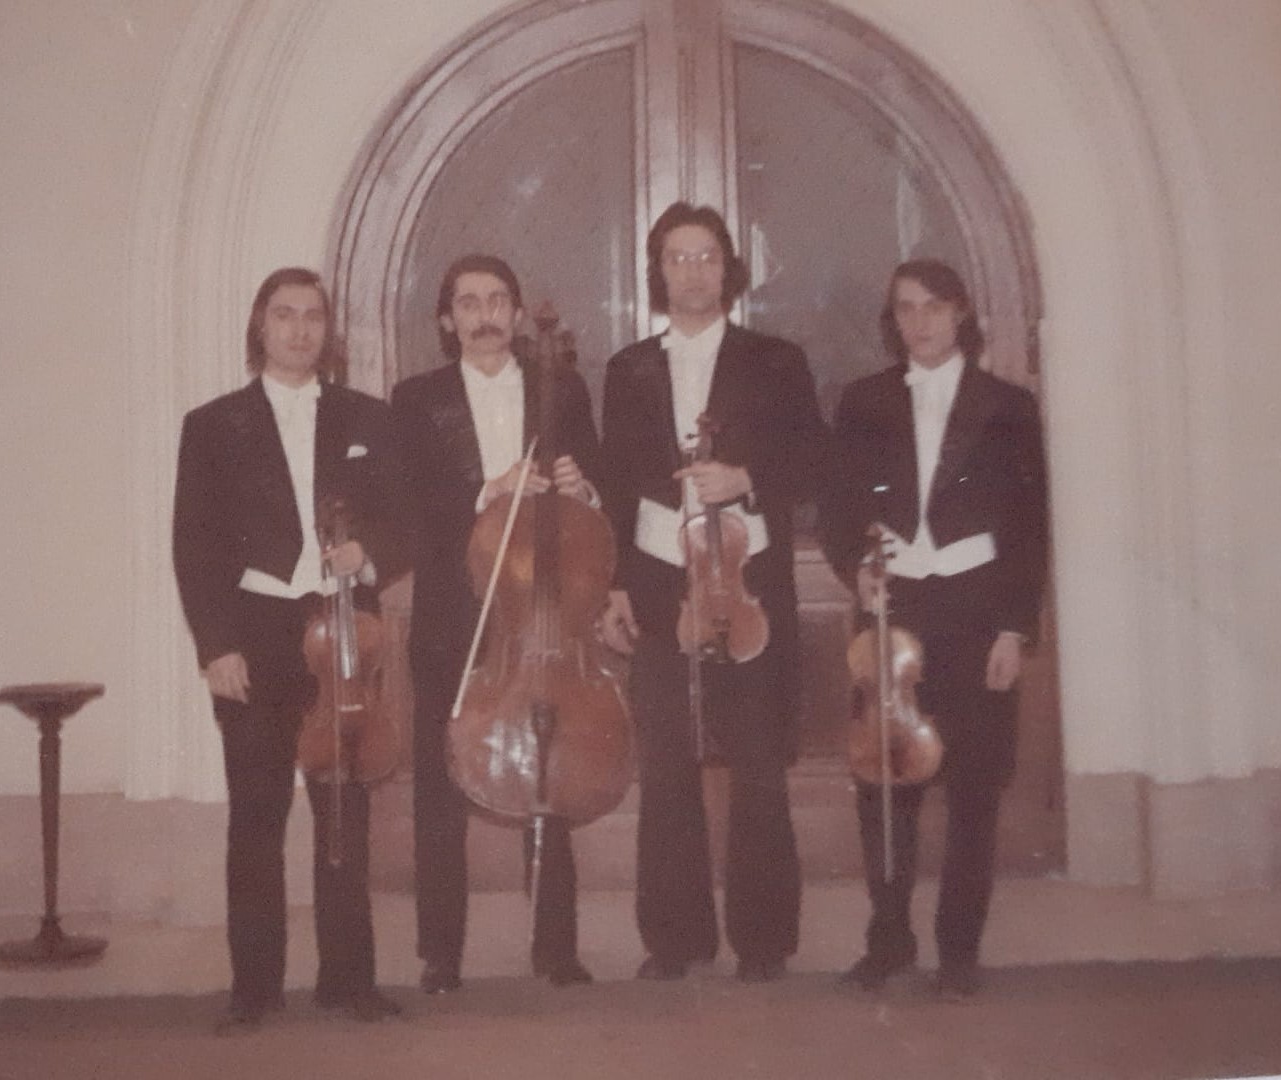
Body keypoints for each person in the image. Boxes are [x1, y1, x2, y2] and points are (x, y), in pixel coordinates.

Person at [596, 203, 831, 983]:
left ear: (728, 269)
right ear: (657, 273)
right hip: (660, 577)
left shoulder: (775, 359)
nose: (692, 272)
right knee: (667, 761)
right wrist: (616, 586)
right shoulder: (629, 368)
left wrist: (747, 477)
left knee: (757, 760)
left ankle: (764, 940)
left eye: (705, 257)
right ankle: (675, 938)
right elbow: (617, 482)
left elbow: (814, 458)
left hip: (746, 577)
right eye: (677, 257)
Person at [172, 266, 409, 1030]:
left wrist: (368, 554)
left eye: (313, 316)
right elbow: (194, 546)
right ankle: (255, 987)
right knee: (256, 815)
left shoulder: (368, 417)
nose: (300, 329)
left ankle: (349, 979)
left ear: (327, 331)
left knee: (344, 814)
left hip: (341, 631)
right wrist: (216, 647)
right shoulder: (213, 424)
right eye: (284, 315)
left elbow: (404, 521)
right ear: (260, 327)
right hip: (256, 634)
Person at [821, 258, 1048, 1000]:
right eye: (905, 309)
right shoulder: (864, 401)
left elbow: (1028, 526)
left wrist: (1013, 630)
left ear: (959, 314)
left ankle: (958, 951)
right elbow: (837, 505)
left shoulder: (1006, 405)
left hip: (977, 611)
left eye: (932, 307)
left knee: (974, 788)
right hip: (895, 609)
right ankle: (888, 941)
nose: (918, 322)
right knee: (885, 783)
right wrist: (855, 566)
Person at [391, 254, 602, 993]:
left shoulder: (562, 388)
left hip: (540, 615)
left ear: (516, 313)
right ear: (448, 320)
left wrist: (581, 486)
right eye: (468, 303)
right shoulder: (415, 400)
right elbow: (409, 509)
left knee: (548, 772)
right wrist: (491, 490)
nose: (484, 315)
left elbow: (591, 492)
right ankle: (441, 953)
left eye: (497, 300)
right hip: (454, 615)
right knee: (441, 782)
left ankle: (556, 948)